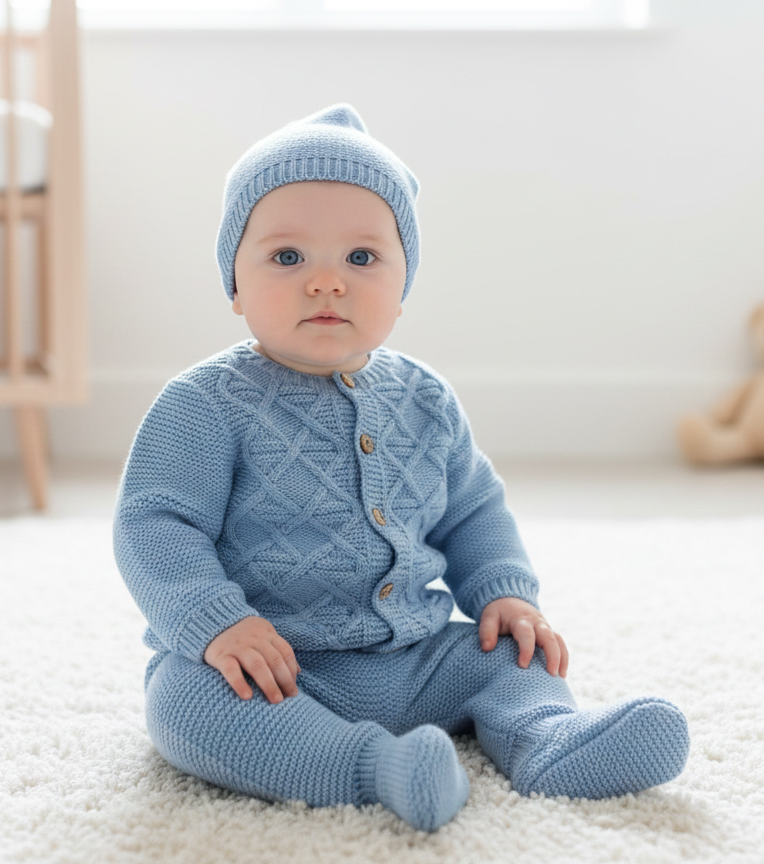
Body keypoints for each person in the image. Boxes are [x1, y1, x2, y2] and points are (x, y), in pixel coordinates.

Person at [113, 104, 689, 833]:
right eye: (287, 258)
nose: (327, 282)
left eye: (361, 258)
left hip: (416, 654)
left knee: (512, 658)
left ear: (404, 283)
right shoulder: (204, 404)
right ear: (233, 282)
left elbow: (474, 508)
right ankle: (373, 769)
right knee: (187, 707)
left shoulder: (424, 397)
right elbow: (154, 523)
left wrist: (503, 593)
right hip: (276, 664)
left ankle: (548, 740)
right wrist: (214, 624)